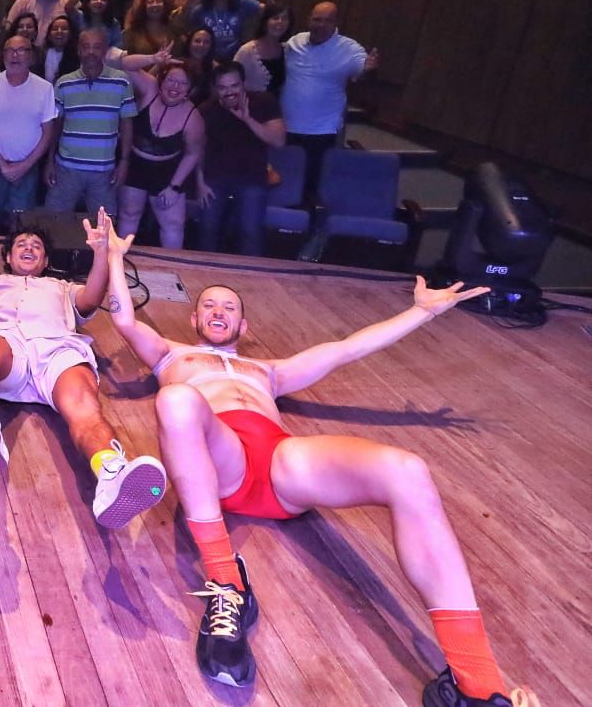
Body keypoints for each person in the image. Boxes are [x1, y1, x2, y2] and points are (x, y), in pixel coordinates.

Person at [99, 226, 537, 707]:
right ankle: (227, 582)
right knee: (178, 400)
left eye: (229, 307)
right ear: (195, 317)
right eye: (209, 305)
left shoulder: (269, 371)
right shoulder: (170, 354)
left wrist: (419, 312)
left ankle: (477, 682)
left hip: (280, 463)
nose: (218, 311)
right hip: (219, 461)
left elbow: (349, 348)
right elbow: (122, 319)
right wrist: (114, 256)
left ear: (243, 327)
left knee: (407, 469)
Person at [0, 172, 167, 526]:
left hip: (58, 353)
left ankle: (110, 473)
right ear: (7, 255)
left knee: (85, 406)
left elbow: (93, 295)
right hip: (8, 354)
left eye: (36, 245)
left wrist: (101, 254)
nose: (29, 247)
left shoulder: (63, 287)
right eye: (21, 243)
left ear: (46, 259)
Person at [281, 1, 377, 202]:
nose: (321, 25)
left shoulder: (349, 48)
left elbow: (362, 72)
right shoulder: (295, 41)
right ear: (309, 20)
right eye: (316, 20)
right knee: (284, 179)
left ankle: (307, 226)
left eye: (327, 21)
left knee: (312, 185)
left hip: (322, 131)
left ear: (336, 23)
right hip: (286, 127)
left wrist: (368, 70)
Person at [0, 33, 58, 234]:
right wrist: (3, 165)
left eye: (21, 50)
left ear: (31, 57)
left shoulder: (44, 88)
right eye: (9, 50)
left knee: (20, 223)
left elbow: (47, 134)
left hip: (27, 164)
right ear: (2, 55)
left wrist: (24, 166)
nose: (14, 55)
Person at [196, 62, 286, 256]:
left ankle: (250, 278)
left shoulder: (264, 101)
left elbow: (279, 141)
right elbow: (196, 149)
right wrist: (199, 181)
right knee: (207, 229)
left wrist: (247, 119)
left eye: (234, 85)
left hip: (252, 178)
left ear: (244, 84)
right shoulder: (206, 109)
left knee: (250, 232)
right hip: (214, 178)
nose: (229, 92)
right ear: (215, 89)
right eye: (222, 87)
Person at [46, 26, 136, 219]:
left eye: (96, 47)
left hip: (104, 170)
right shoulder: (63, 83)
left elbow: (127, 125)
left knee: (105, 227)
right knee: (53, 222)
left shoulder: (122, 82)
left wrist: (124, 162)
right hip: (66, 167)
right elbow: (55, 126)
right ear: (78, 50)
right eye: (85, 47)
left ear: (105, 50)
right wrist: (49, 161)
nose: (91, 52)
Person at [116, 64, 204, 250]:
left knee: (173, 225)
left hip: (168, 171)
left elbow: (192, 154)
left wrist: (174, 186)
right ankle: (119, 261)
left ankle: (171, 268)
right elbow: (126, 64)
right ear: (162, 81)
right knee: (129, 214)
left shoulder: (193, 118)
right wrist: (154, 59)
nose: (175, 87)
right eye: (171, 80)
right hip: (136, 165)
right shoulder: (149, 90)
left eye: (182, 83)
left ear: (190, 89)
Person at [234, 4, 293, 96]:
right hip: (251, 107)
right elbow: (232, 82)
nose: (280, 22)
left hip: (279, 108)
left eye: (284, 18)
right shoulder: (247, 51)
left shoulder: (288, 50)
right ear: (265, 22)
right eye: (275, 18)